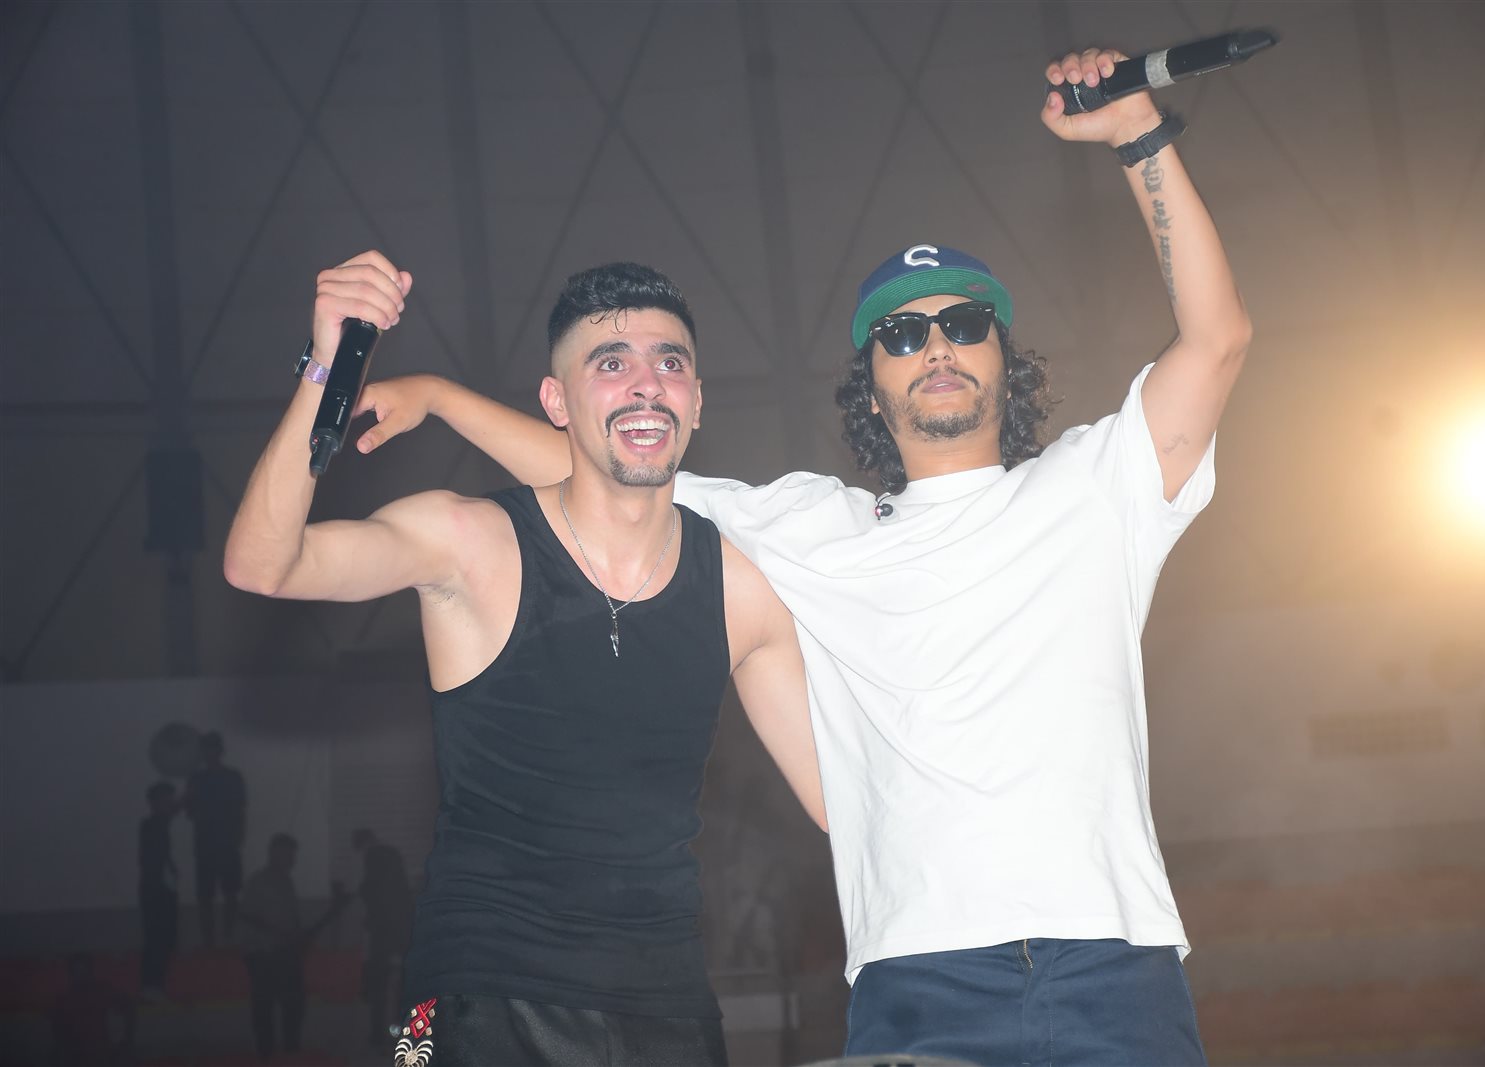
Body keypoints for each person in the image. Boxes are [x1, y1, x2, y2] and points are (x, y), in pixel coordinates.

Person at [355, 45, 1251, 1064]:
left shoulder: (1097, 484)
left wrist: (1137, 134)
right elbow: (612, 472)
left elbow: (1216, 339)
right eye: (902, 335)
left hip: (1113, 964)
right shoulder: (813, 526)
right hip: (917, 977)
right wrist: (441, 398)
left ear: (1005, 355)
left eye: (964, 323)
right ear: (872, 384)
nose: (937, 344)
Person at [223, 257, 824, 1066]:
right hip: (475, 1000)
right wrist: (327, 365)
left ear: (696, 400)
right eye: (610, 363)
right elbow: (264, 563)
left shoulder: (742, 590)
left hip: (670, 1013)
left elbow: (840, 800)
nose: (647, 384)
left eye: (669, 362)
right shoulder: (469, 543)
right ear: (557, 402)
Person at [237, 833, 308, 1060]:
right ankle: (266, 1052)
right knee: (264, 1004)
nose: (292, 860)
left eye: (293, 855)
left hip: (285, 951)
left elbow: (291, 918)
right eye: (288, 854)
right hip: (262, 952)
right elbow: (248, 916)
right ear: (275, 853)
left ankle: (290, 1048)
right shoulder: (259, 881)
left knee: (294, 1001)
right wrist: (275, 933)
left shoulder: (287, 881)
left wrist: (297, 936)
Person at [351, 828, 413, 1047]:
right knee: (398, 988)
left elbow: (372, 893)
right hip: (401, 933)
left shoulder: (372, 857)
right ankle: (398, 1033)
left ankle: (379, 1036)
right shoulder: (392, 857)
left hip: (382, 933)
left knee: (379, 987)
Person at [184, 730, 246, 948]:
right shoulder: (197, 779)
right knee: (205, 896)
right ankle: (208, 941)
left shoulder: (233, 777)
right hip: (206, 845)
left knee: (231, 893)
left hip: (227, 843)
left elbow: (241, 810)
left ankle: (229, 936)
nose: (210, 752)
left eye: (213, 748)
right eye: (207, 748)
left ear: (220, 750)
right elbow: (190, 812)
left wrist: (238, 836)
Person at [138, 781, 180, 999]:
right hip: (155, 890)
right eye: (166, 800)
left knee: (165, 938)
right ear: (154, 802)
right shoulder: (151, 825)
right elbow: (151, 861)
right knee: (157, 938)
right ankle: (151, 986)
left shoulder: (158, 825)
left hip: (161, 889)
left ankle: (156, 985)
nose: (170, 804)